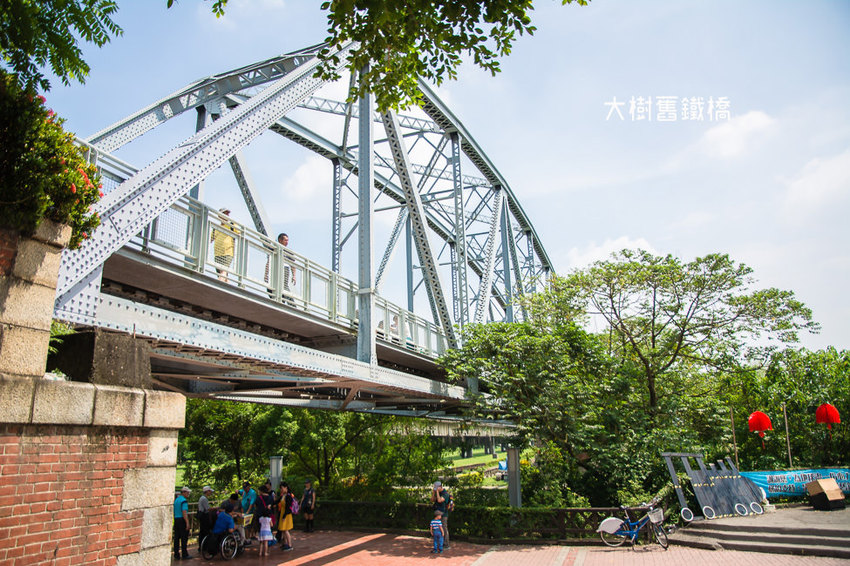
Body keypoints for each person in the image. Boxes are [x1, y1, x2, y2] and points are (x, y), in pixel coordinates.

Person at [211, 208, 239, 282]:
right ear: (219, 216)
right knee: (223, 275)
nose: (227, 215)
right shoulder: (216, 227)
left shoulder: (232, 225)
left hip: (227, 252)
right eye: (225, 213)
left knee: (223, 271)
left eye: (228, 213)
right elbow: (210, 239)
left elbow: (240, 234)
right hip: (217, 254)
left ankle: (217, 284)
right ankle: (227, 287)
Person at [173, 486, 192, 560]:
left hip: (176, 519)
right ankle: (184, 554)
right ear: (183, 492)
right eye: (187, 492)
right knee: (184, 538)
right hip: (182, 520)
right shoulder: (184, 501)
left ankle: (176, 554)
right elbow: (184, 512)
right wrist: (187, 523)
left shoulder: (176, 500)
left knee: (177, 538)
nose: (188, 494)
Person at [431, 481, 451, 549]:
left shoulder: (445, 494)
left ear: (440, 487)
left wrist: (437, 492)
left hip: (444, 514)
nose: (436, 489)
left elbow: (439, 500)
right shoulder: (438, 493)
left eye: (437, 488)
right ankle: (440, 543)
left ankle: (446, 544)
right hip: (438, 513)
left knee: (444, 528)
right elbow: (432, 500)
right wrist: (434, 493)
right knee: (437, 528)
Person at [277, 482, 295, 551]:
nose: (281, 490)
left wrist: (284, 516)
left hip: (286, 515)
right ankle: (285, 543)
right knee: (283, 529)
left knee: (286, 530)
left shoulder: (288, 496)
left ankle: (290, 545)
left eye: (282, 488)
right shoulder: (283, 495)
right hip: (283, 513)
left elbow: (288, 508)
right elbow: (277, 501)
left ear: (285, 488)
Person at [197, 486, 215, 553]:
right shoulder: (204, 499)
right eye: (210, 491)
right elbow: (207, 508)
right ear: (207, 491)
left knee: (202, 531)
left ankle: (202, 547)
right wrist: (215, 508)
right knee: (205, 531)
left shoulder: (202, 498)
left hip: (202, 515)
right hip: (204, 516)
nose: (210, 493)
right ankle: (204, 547)